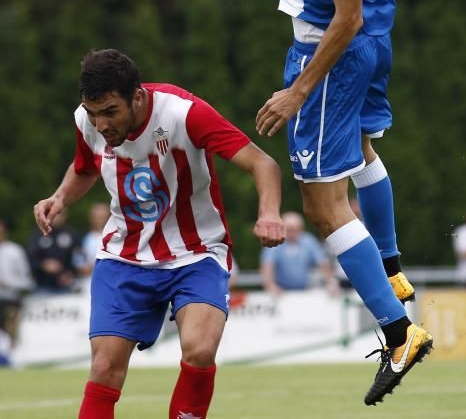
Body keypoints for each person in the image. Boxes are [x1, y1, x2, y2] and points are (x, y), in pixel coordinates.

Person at [205, 0, 432, 405]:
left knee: (323, 204)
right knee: (359, 153)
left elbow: (346, 17)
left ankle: (398, 331)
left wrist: (299, 91)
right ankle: (391, 269)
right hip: (369, 30)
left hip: (330, 49)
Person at [33, 48, 284, 419]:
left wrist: (269, 213)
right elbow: (85, 167)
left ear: (137, 97)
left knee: (199, 350)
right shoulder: (87, 121)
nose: (101, 125)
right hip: (123, 255)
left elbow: (263, 163)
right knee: (104, 369)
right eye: (93, 114)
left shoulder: (184, 113)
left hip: (196, 252)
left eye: (110, 112)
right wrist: (60, 197)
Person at [260, 211, 339, 295]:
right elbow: (267, 266)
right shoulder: (275, 241)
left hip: (305, 289)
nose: (292, 233)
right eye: (289, 229)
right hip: (280, 291)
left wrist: (331, 282)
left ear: (301, 229)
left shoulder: (308, 241)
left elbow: (323, 263)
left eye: (295, 230)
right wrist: (270, 285)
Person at [0, 219, 34, 364]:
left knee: (11, 336)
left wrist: (9, 284)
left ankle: (10, 363)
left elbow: (27, 281)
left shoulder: (15, 251)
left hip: (9, 301)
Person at [26, 209, 82, 293]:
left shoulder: (73, 235)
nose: (56, 217)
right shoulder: (38, 234)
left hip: (67, 287)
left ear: (65, 216)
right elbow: (29, 258)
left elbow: (79, 260)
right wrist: (43, 265)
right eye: (53, 214)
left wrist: (69, 273)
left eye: (59, 214)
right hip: (42, 286)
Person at [79, 202, 112, 277]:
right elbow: (78, 261)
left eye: (102, 217)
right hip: (86, 282)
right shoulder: (83, 237)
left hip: (108, 280)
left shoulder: (114, 238)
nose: (99, 220)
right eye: (96, 217)